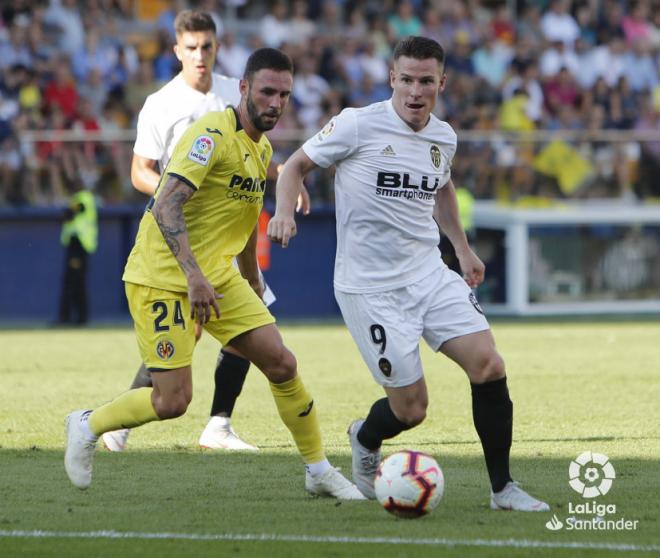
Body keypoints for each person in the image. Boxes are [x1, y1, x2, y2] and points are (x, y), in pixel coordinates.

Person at [64, 47, 363, 501]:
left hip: (219, 277)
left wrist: (254, 281)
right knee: (172, 402)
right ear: (243, 88)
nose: (276, 102)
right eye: (267, 91)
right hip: (162, 276)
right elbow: (165, 204)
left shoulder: (260, 150)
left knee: (281, 362)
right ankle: (87, 424)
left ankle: (317, 468)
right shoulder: (210, 135)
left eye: (284, 94)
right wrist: (193, 276)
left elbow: (242, 223)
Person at [268, 36, 549, 512]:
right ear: (391, 79)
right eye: (407, 81)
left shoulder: (444, 137)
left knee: (489, 365)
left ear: (441, 82)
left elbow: (443, 189)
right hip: (370, 288)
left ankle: (502, 489)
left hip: (429, 272)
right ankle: (365, 435)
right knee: (411, 410)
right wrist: (283, 213)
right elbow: (294, 165)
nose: (415, 92)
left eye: (426, 82)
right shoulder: (357, 125)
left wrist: (462, 250)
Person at [101, 11, 305, 453]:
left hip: (232, 229)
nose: (199, 56)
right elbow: (142, 172)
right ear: (177, 51)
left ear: (217, 46)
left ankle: (219, 422)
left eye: (207, 47)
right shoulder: (161, 103)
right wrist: (180, 191)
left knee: (257, 328)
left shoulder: (239, 89)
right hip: (183, 233)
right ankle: (121, 420)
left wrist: (284, 175)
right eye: (191, 48)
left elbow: (247, 158)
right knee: (189, 334)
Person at [58, 181, 97, 324]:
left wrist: (65, 212)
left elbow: (71, 213)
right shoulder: (78, 199)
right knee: (72, 282)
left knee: (75, 282)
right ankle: (71, 317)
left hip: (79, 246)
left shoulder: (84, 198)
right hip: (75, 246)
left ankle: (77, 318)